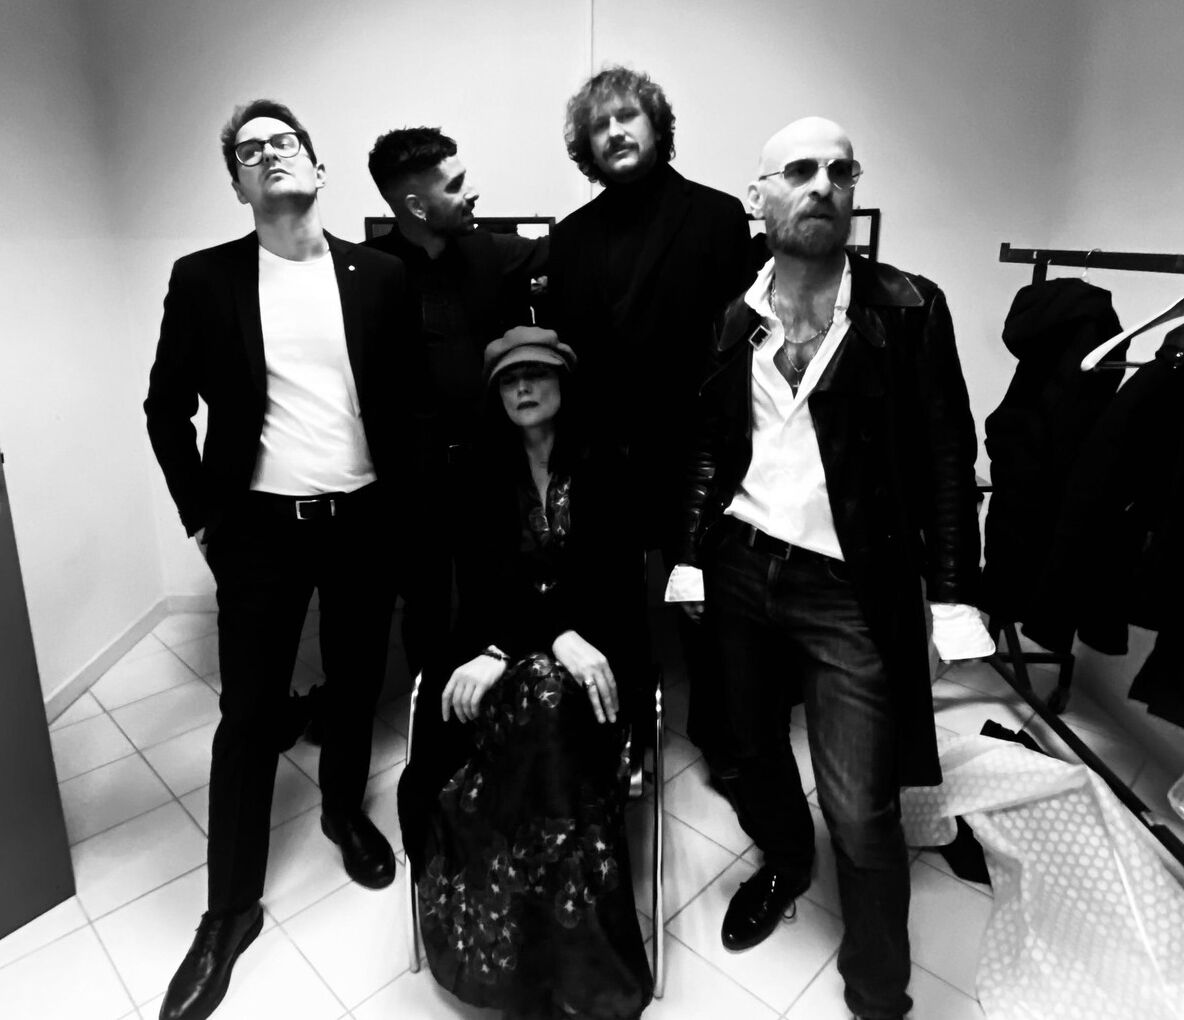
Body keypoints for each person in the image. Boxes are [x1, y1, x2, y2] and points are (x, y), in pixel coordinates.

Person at [668, 117, 986, 1020]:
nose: (821, 185)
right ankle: (784, 860)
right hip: (740, 569)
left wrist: (952, 596)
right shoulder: (732, 314)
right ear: (758, 196)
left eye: (840, 171)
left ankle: (879, 995)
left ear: (854, 191)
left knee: (859, 804)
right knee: (748, 749)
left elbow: (946, 458)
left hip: (851, 588)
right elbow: (709, 444)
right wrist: (691, 553)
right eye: (799, 170)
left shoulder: (908, 308)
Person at [144, 99, 413, 1020]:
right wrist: (201, 517)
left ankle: (343, 810)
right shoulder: (205, 278)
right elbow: (165, 408)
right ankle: (229, 911)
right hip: (258, 529)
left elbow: (404, 399)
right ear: (238, 185)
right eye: (249, 151)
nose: (268, 155)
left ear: (317, 167)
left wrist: (405, 505)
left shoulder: (379, 275)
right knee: (249, 715)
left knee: (355, 680)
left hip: (364, 519)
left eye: (283, 142)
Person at [398, 327, 653, 1020]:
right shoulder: (478, 474)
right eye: (510, 380)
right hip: (502, 665)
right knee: (539, 697)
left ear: (563, 383)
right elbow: (485, 589)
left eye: (536, 374)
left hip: (598, 665)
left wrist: (560, 636)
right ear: (496, 395)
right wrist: (521, 644)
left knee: (548, 703)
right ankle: (568, 970)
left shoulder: (608, 466)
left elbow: (614, 588)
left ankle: (529, 975)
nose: (523, 388)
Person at [547, 66, 749, 780]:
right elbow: (568, 355)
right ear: (587, 147)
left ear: (657, 127)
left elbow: (739, 345)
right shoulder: (571, 237)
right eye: (599, 126)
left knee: (702, 606)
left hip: (694, 453)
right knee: (612, 607)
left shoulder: (718, 216)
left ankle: (722, 741)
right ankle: (624, 730)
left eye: (627, 117)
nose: (614, 132)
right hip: (604, 455)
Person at [364, 126, 548, 677]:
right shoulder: (370, 273)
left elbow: (577, 252)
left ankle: (487, 702)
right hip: (410, 479)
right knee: (424, 604)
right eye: (456, 185)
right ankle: (432, 707)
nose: (473, 192)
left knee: (491, 590)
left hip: (490, 465)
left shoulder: (491, 252)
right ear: (416, 206)